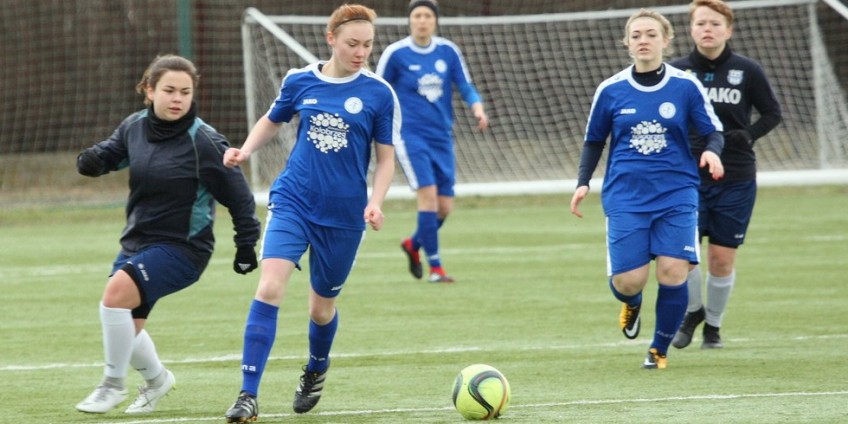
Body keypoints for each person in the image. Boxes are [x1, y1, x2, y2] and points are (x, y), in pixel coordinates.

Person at [222, 4, 399, 422]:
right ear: (331, 39)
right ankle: (248, 395)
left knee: (321, 310)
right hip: (294, 201)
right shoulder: (300, 80)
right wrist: (245, 151)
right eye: (352, 43)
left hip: (344, 216)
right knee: (269, 288)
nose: (361, 52)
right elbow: (272, 120)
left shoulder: (378, 94)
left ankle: (317, 367)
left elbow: (386, 159)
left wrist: (376, 202)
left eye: (367, 45)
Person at [74, 54, 261, 415]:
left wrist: (245, 245)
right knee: (126, 325)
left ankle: (112, 385)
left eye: (185, 92)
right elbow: (110, 154)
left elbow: (239, 198)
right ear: (149, 90)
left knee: (114, 297)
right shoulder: (134, 127)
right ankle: (158, 380)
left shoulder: (205, 141)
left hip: (184, 249)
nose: (177, 99)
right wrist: (92, 161)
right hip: (137, 242)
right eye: (169, 90)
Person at [570, 9, 725, 370]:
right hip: (626, 195)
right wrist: (583, 182)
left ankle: (658, 350)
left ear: (665, 40)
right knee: (629, 281)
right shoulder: (611, 89)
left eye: (651, 34)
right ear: (627, 42)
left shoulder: (685, 86)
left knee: (673, 271)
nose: (643, 40)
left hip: (677, 193)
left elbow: (712, 130)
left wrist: (712, 153)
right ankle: (632, 303)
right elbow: (594, 141)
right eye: (636, 35)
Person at [669, 0, 782, 349]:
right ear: (691, 29)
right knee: (684, 255)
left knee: (721, 259)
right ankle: (693, 313)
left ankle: (713, 328)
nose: (708, 29)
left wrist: (747, 135)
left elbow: (772, 113)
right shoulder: (676, 72)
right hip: (687, 177)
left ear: (728, 30)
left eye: (715, 24)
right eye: (701, 23)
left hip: (735, 176)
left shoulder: (747, 70)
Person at [376, 0, 489, 283]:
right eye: (417, 15)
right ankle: (436, 268)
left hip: (442, 136)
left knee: (444, 207)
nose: (422, 20)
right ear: (410, 20)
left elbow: (464, 85)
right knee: (427, 197)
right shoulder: (396, 54)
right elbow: (379, 90)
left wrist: (477, 107)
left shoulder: (448, 51)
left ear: (435, 20)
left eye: (427, 15)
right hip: (410, 136)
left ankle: (413, 244)